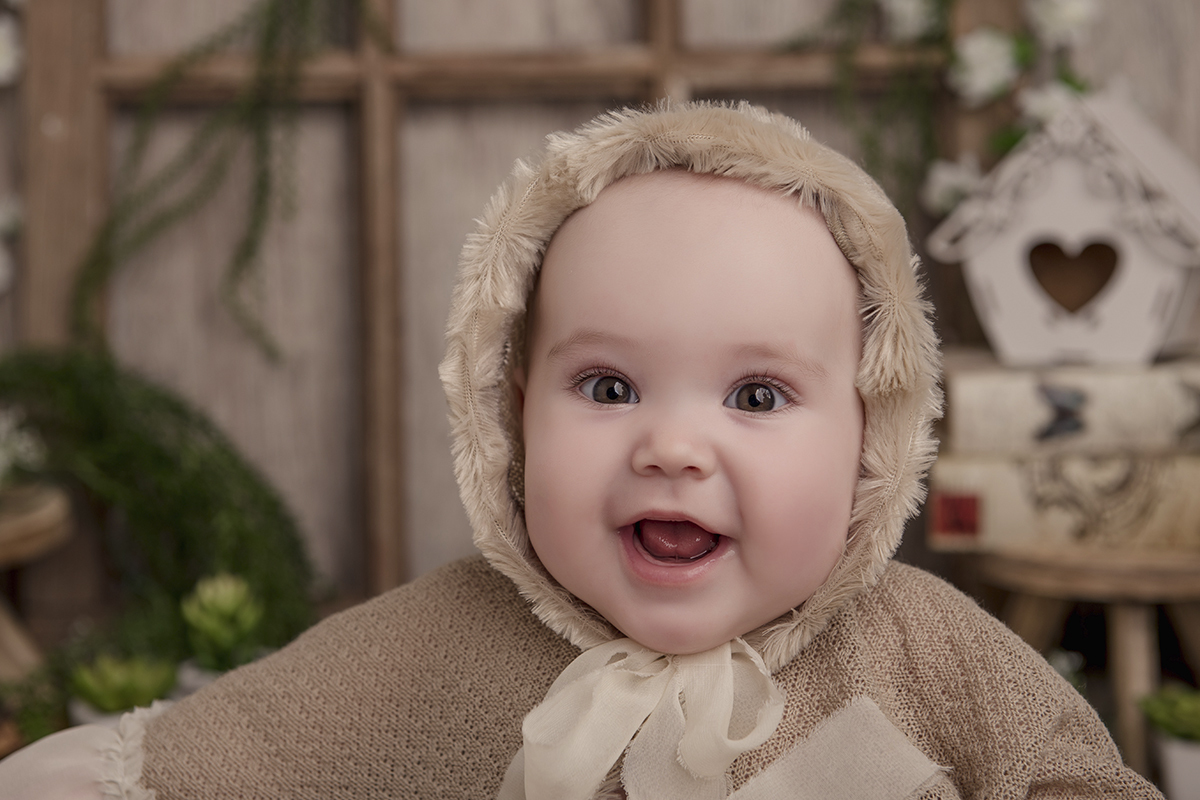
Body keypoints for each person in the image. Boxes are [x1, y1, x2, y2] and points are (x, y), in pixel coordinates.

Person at [1, 102, 1161, 799]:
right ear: (511, 414)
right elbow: (205, 760)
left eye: (756, 393)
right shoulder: (440, 641)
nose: (670, 444)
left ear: (872, 430)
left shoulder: (927, 649)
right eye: (607, 386)